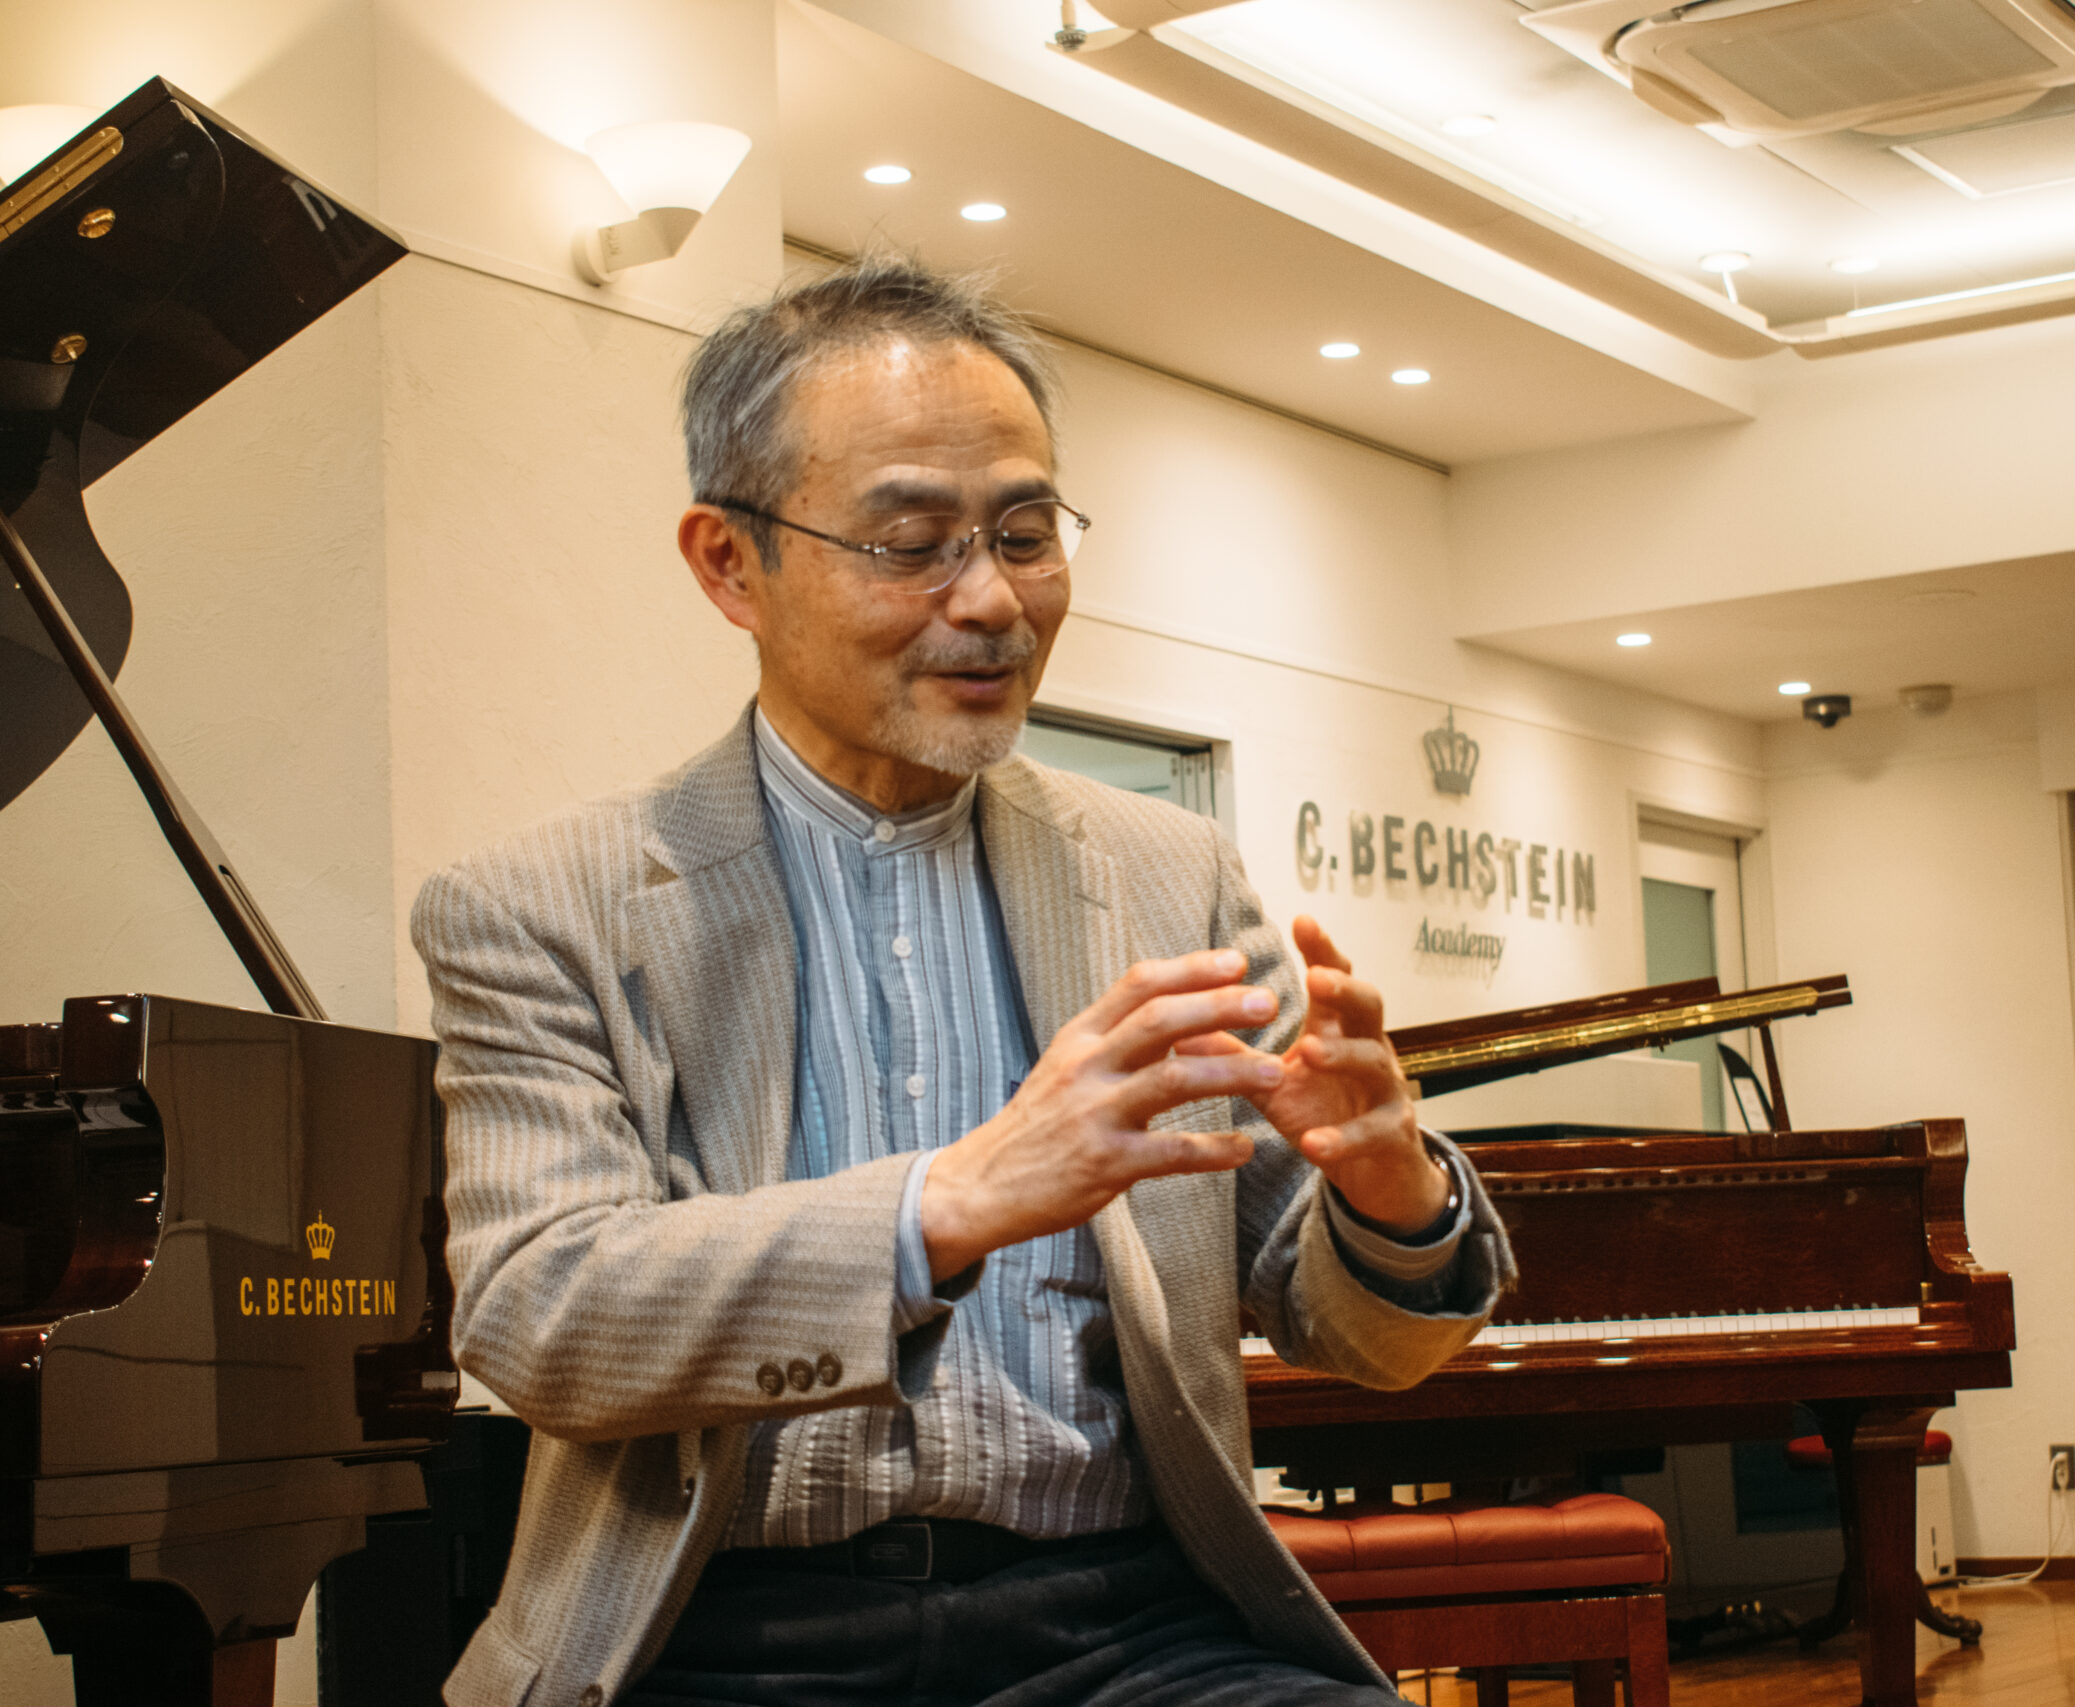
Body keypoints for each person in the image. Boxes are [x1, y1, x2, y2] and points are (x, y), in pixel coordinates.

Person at [411, 253, 1514, 1707]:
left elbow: (1361, 1339)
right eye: (912, 543)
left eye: (1026, 534)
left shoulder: (1171, 877)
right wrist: (949, 1204)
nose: (991, 600)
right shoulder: (539, 906)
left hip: (1125, 1632)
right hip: (723, 1640)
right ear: (730, 564)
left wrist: (1386, 1193)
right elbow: (542, 1316)